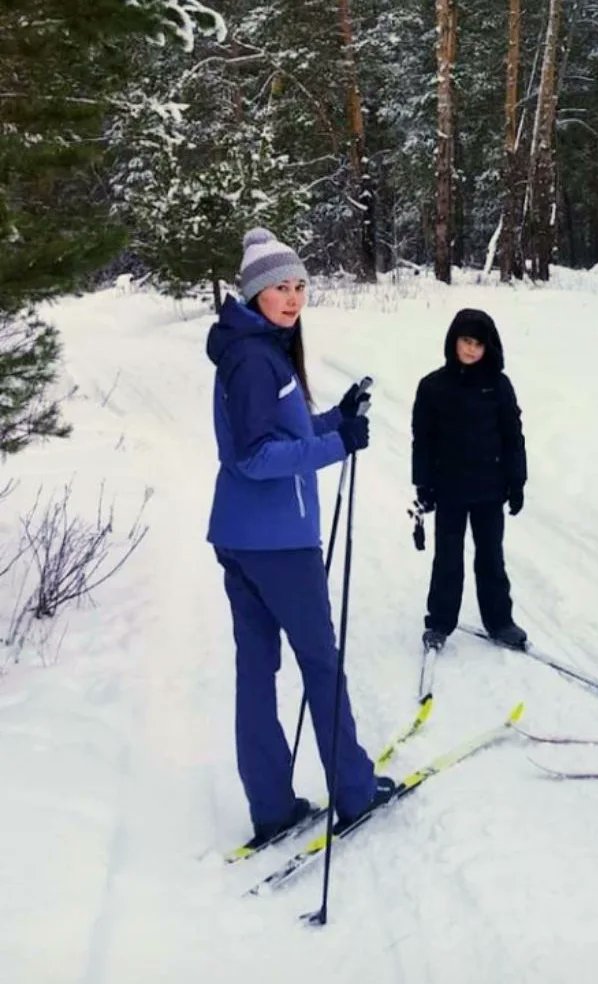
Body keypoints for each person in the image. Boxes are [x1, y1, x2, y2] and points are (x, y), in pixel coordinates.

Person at [207, 227, 394, 847]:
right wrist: (334, 446)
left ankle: (272, 806)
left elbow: (279, 432)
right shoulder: (256, 358)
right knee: (320, 663)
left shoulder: (254, 347)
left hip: (242, 536)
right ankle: (354, 791)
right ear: (254, 292)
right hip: (278, 543)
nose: (291, 298)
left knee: (256, 671)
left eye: (298, 286)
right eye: (279, 288)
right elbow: (257, 457)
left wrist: (332, 420)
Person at [411, 308, 527, 651]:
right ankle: (440, 623)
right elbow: (423, 439)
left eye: (479, 343)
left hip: (490, 489)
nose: (472, 349)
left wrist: (516, 481)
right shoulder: (433, 386)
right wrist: (423, 484)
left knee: (491, 557)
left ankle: (500, 621)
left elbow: (513, 436)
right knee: (448, 558)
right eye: (466, 341)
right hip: (449, 489)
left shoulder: (499, 386)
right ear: (454, 341)